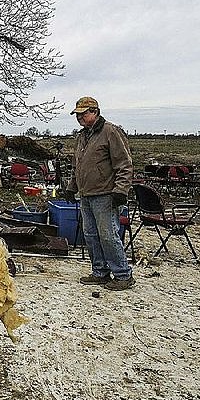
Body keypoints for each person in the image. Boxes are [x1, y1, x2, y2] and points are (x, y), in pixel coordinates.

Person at [63, 96, 134, 291]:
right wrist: (72, 186)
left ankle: (122, 274)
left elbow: (124, 164)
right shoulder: (82, 136)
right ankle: (100, 271)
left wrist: (121, 190)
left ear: (95, 112)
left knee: (108, 235)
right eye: (77, 115)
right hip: (86, 194)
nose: (79, 118)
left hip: (106, 194)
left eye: (83, 114)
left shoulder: (110, 132)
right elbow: (78, 166)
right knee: (91, 235)